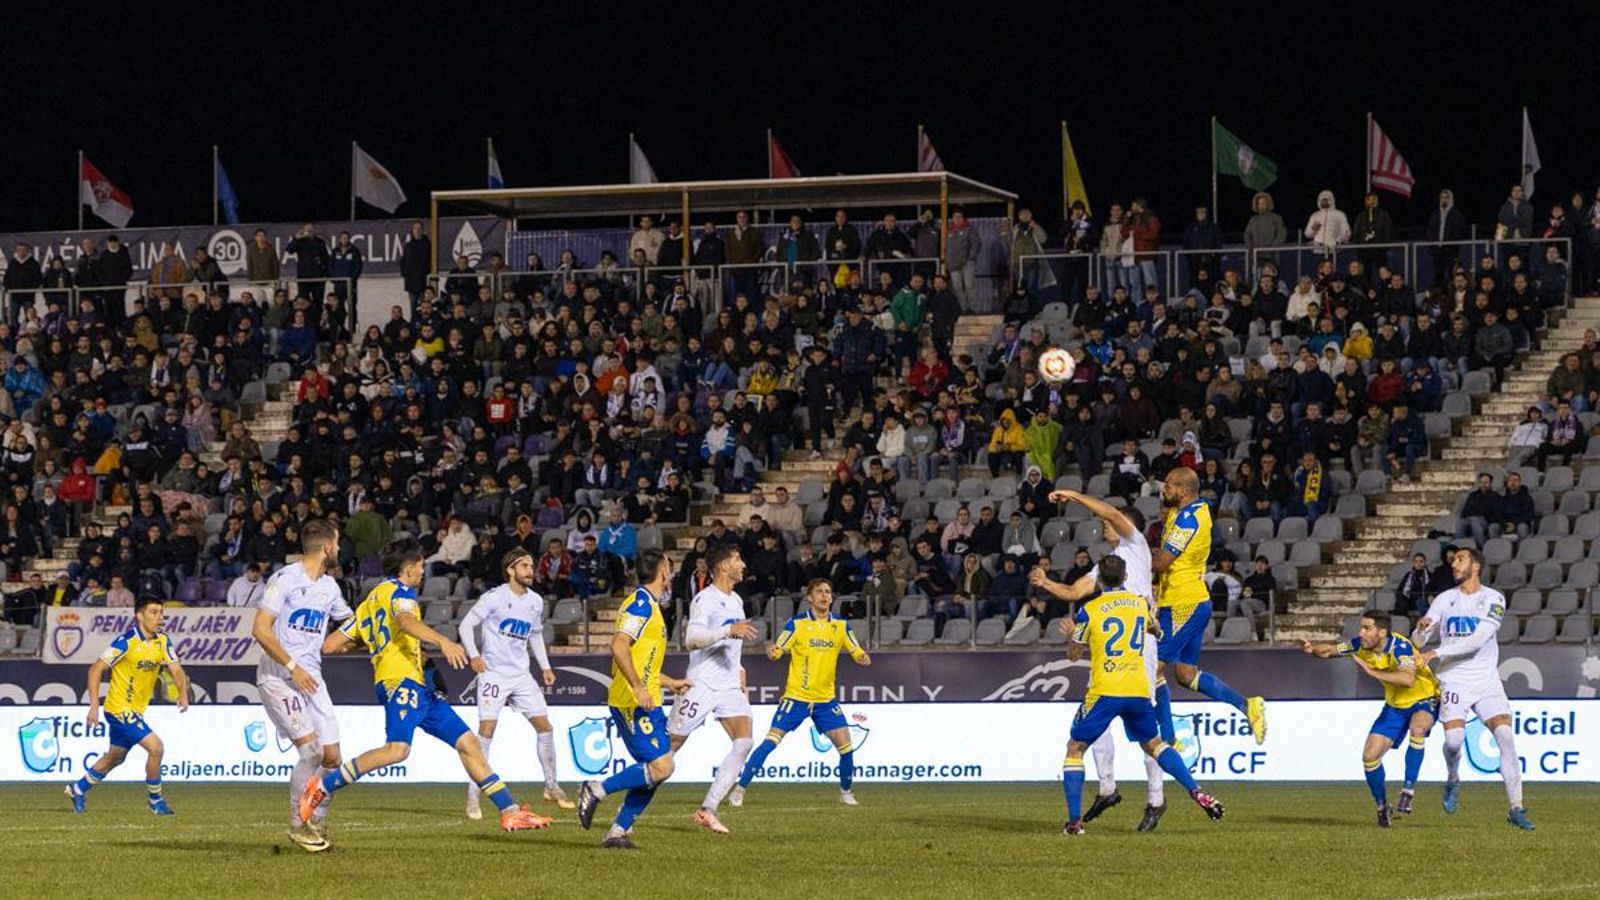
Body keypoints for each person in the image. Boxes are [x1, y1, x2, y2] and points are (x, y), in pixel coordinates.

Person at [299, 538, 552, 835]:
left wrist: (377, 643)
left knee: (468, 743)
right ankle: (322, 786)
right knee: (397, 750)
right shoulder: (401, 592)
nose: (423, 572)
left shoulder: (370, 601)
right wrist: (443, 641)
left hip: (418, 687)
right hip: (401, 681)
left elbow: (331, 645)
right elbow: (406, 621)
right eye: (420, 566)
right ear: (408, 569)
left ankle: (510, 812)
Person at [1057, 555, 1226, 836]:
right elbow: (1158, 634)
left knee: (1075, 748)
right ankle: (1196, 791)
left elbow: (1074, 654)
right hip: (1138, 688)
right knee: (1155, 745)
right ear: (1125, 577)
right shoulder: (1139, 603)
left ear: (1098, 580)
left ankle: (1075, 823)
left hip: (1105, 689)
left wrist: (1074, 635)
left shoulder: (1091, 609)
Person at [1033, 490, 1169, 831]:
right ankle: (1107, 786)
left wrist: (1071, 495)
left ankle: (1156, 798)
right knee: (1096, 714)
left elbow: (1108, 509)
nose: (1104, 524)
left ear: (1125, 524)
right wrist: (1045, 582)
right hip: (1111, 652)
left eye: (1109, 521)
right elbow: (1074, 592)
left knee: (1145, 732)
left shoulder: (1136, 545)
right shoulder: (1109, 566)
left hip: (1141, 648)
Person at [575, 550, 693, 848]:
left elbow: (645, 661)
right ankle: (596, 788)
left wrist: (670, 682)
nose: (672, 573)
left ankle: (618, 831)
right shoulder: (640, 604)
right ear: (663, 571)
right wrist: (639, 687)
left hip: (648, 698)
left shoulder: (651, 606)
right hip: (631, 701)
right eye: (669, 566)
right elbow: (618, 644)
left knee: (658, 770)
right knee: (662, 766)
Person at [1412, 548, 1534, 830]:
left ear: (1475, 565)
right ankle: (1453, 779)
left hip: (1486, 680)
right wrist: (1420, 631)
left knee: (1505, 736)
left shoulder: (1493, 599)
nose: (1454, 563)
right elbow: (1418, 642)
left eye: (1461, 559)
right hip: (1453, 679)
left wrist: (1436, 652)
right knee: (1454, 743)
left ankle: (1516, 808)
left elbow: (1478, 641)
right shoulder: (1445, 599)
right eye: (1454, 560)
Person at [248, 518, 349, 852]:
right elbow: (260, 629)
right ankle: (297, 824)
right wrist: (292, 665)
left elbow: (348, 626)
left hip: (311, 679)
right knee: (311, 751)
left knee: (333, 758)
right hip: (279, 677)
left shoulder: (330, 587)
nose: (340, 549)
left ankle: (317, 819)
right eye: (337, 543)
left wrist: (368, 634)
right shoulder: (285, 579)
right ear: (327, 547)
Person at [731, 578, 872, 808]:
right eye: (820, 592)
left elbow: (856, 650)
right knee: (770, 742)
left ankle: (846, 792)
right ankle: (740, 788)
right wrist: (773, 652)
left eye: (828, 592)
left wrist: (862, 657)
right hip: (796, 698)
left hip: (825, 701)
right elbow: (779, 648)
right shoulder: (796, 624)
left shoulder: (841, 625)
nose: (825, 596)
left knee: (846, 747)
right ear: (810, 597)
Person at [1153, 468, 1266, 745]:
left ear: (1182, 491)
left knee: (1152, 668)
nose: (1163, 490)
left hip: (1183, 604)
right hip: (1188, 601)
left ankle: (1167, 741)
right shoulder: (1192, 511)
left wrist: (1131, 561)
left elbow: (1163, 562)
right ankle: (1246, 705)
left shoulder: (1188, 520)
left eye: (1168, 486)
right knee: (1185, 674)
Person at [458, 548, 573, 821]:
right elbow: (465, 626)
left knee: (545, 726)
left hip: (521, 675)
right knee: (485, 732)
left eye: (532, 565)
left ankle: (551, 786)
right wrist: (474, 656)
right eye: (524, 566)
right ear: (511, 570)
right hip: (494, 674)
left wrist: (545, 667)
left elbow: (534, 636)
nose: (530, 570)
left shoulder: (535, 601)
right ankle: (473, 796)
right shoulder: (494, 598)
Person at [1302, 610, 1439, 827]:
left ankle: (1408, 791)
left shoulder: (1400, 647)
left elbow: (1408, 679)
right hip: (1395, 706)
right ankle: (1382, 806)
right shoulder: (1359, 645)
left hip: (1424, 698)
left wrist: (1372, 672)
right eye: (1361, 627)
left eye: (1367, 628)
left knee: (1418, 729)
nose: (1361, 632)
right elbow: (1329, 651)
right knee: (1370, 756)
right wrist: (1312, 650)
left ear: (1382, 632)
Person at [66, 596, 190, 816]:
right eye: (153, 612)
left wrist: (183, 693)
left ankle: (78, 788)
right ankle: (155, 801)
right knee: (156, 747)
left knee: (115, 758)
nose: (159, 617)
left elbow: (177, 670)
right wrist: (94, 706)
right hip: (118, 709)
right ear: (139, 616)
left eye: (161, 612)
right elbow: (95, 670)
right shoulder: (126, 642)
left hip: (136, 710)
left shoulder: (163, 641)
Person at [668, 543, 761, 834]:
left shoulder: (735, 601)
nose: (743, 565)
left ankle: (708, 808)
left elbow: (733, 645)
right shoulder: (704, 599)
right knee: (668, 749)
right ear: (723, 566)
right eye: (738, 559)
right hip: (702, 684)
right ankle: (627, 807)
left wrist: (741, 670)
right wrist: (728, 630)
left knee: (744, 742)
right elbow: (691, 639)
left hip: (729, 685)